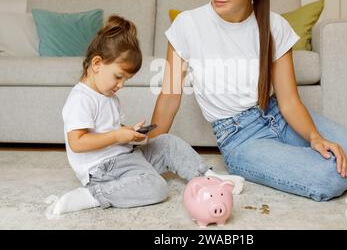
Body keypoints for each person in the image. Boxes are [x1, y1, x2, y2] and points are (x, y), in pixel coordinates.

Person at [147, 0, 347, 202]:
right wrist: (148, 152)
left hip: (278, 115)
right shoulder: (188, 25)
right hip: (240, 138)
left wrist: (314, 137)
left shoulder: (274, 26)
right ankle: (326, 161)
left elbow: (289, 101)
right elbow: (169, 98)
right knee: (329, 178)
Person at [47, 15, 244, 217]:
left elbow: (107, 127)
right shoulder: (81, 98)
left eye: (126, 79)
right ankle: (94, 195)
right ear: (97, 63)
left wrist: (130, 133)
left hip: (124, 155)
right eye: (118, 76)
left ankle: (208, 177)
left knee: (167, 142)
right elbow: (77, 143)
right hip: (103, 169)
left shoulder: (107, 94)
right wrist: (117, 136)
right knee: (156, 187)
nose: (121, 85)